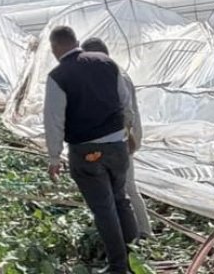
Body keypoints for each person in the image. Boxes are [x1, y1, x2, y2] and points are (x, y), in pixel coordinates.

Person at [45, 26, 138, 273]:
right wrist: (126, 132)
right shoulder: (107, 62)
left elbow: (54, 120)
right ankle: (137, 256)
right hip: (117, 145)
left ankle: (119, 266)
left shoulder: (58, 76)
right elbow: (124, 101)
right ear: (76, 41)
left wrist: (54, 157)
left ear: (55, 48)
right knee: (121, 199)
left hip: (86, 151)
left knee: (104, 207)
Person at [81, 37, 152, 240]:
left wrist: (125, 137)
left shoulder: (114, 76)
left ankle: (143, 233)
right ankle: (132, 230)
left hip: (122, 138)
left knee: (126, 186)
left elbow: (125, 113)